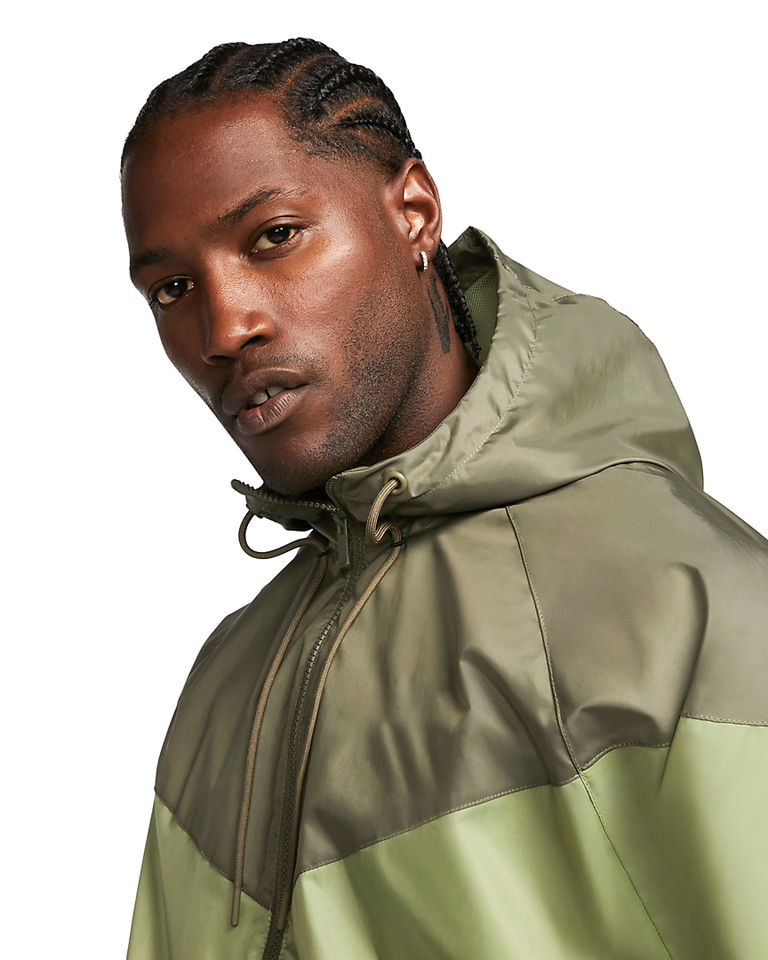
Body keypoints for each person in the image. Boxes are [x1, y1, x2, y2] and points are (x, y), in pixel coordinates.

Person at [121, 37, 768, 960]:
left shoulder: (694, 607)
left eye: (275, 236)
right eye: (172, 288)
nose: (224, 327)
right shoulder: (228, 686)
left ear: (414, 212)